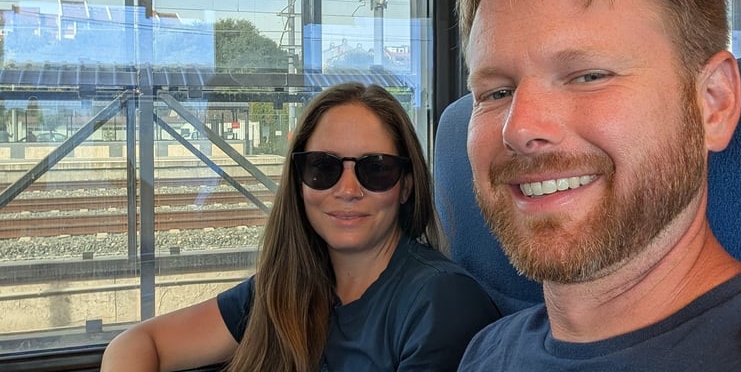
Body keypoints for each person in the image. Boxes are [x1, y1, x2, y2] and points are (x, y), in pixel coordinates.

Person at [455, 0, 741, 371]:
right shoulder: (487, 352)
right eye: (496, 93)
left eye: (589, 76)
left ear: (713, 104)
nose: (518, 129)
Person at [101, 82, 500, 372]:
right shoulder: (287, 285)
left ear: (406, 185)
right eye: (323, 168)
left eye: (375, 169)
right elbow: (138, 342)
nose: (348, 190)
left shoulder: (442, 302)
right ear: (299, 182)